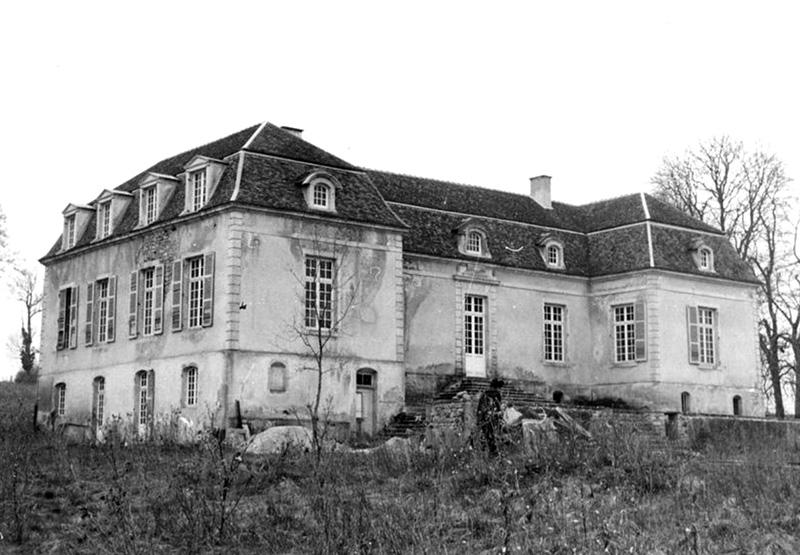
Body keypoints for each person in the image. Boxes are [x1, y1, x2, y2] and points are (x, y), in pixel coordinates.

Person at [477, 378, 504, 455]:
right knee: (493, 435)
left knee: (486, 435)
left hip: (484, 418)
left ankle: (485, 450)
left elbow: (480, 408)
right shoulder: (497, 394)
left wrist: (479, 419)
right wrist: (499, 415)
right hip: (493, 418)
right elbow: (498, 407)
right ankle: (493, 452)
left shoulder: (484, 394)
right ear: (497, 387)